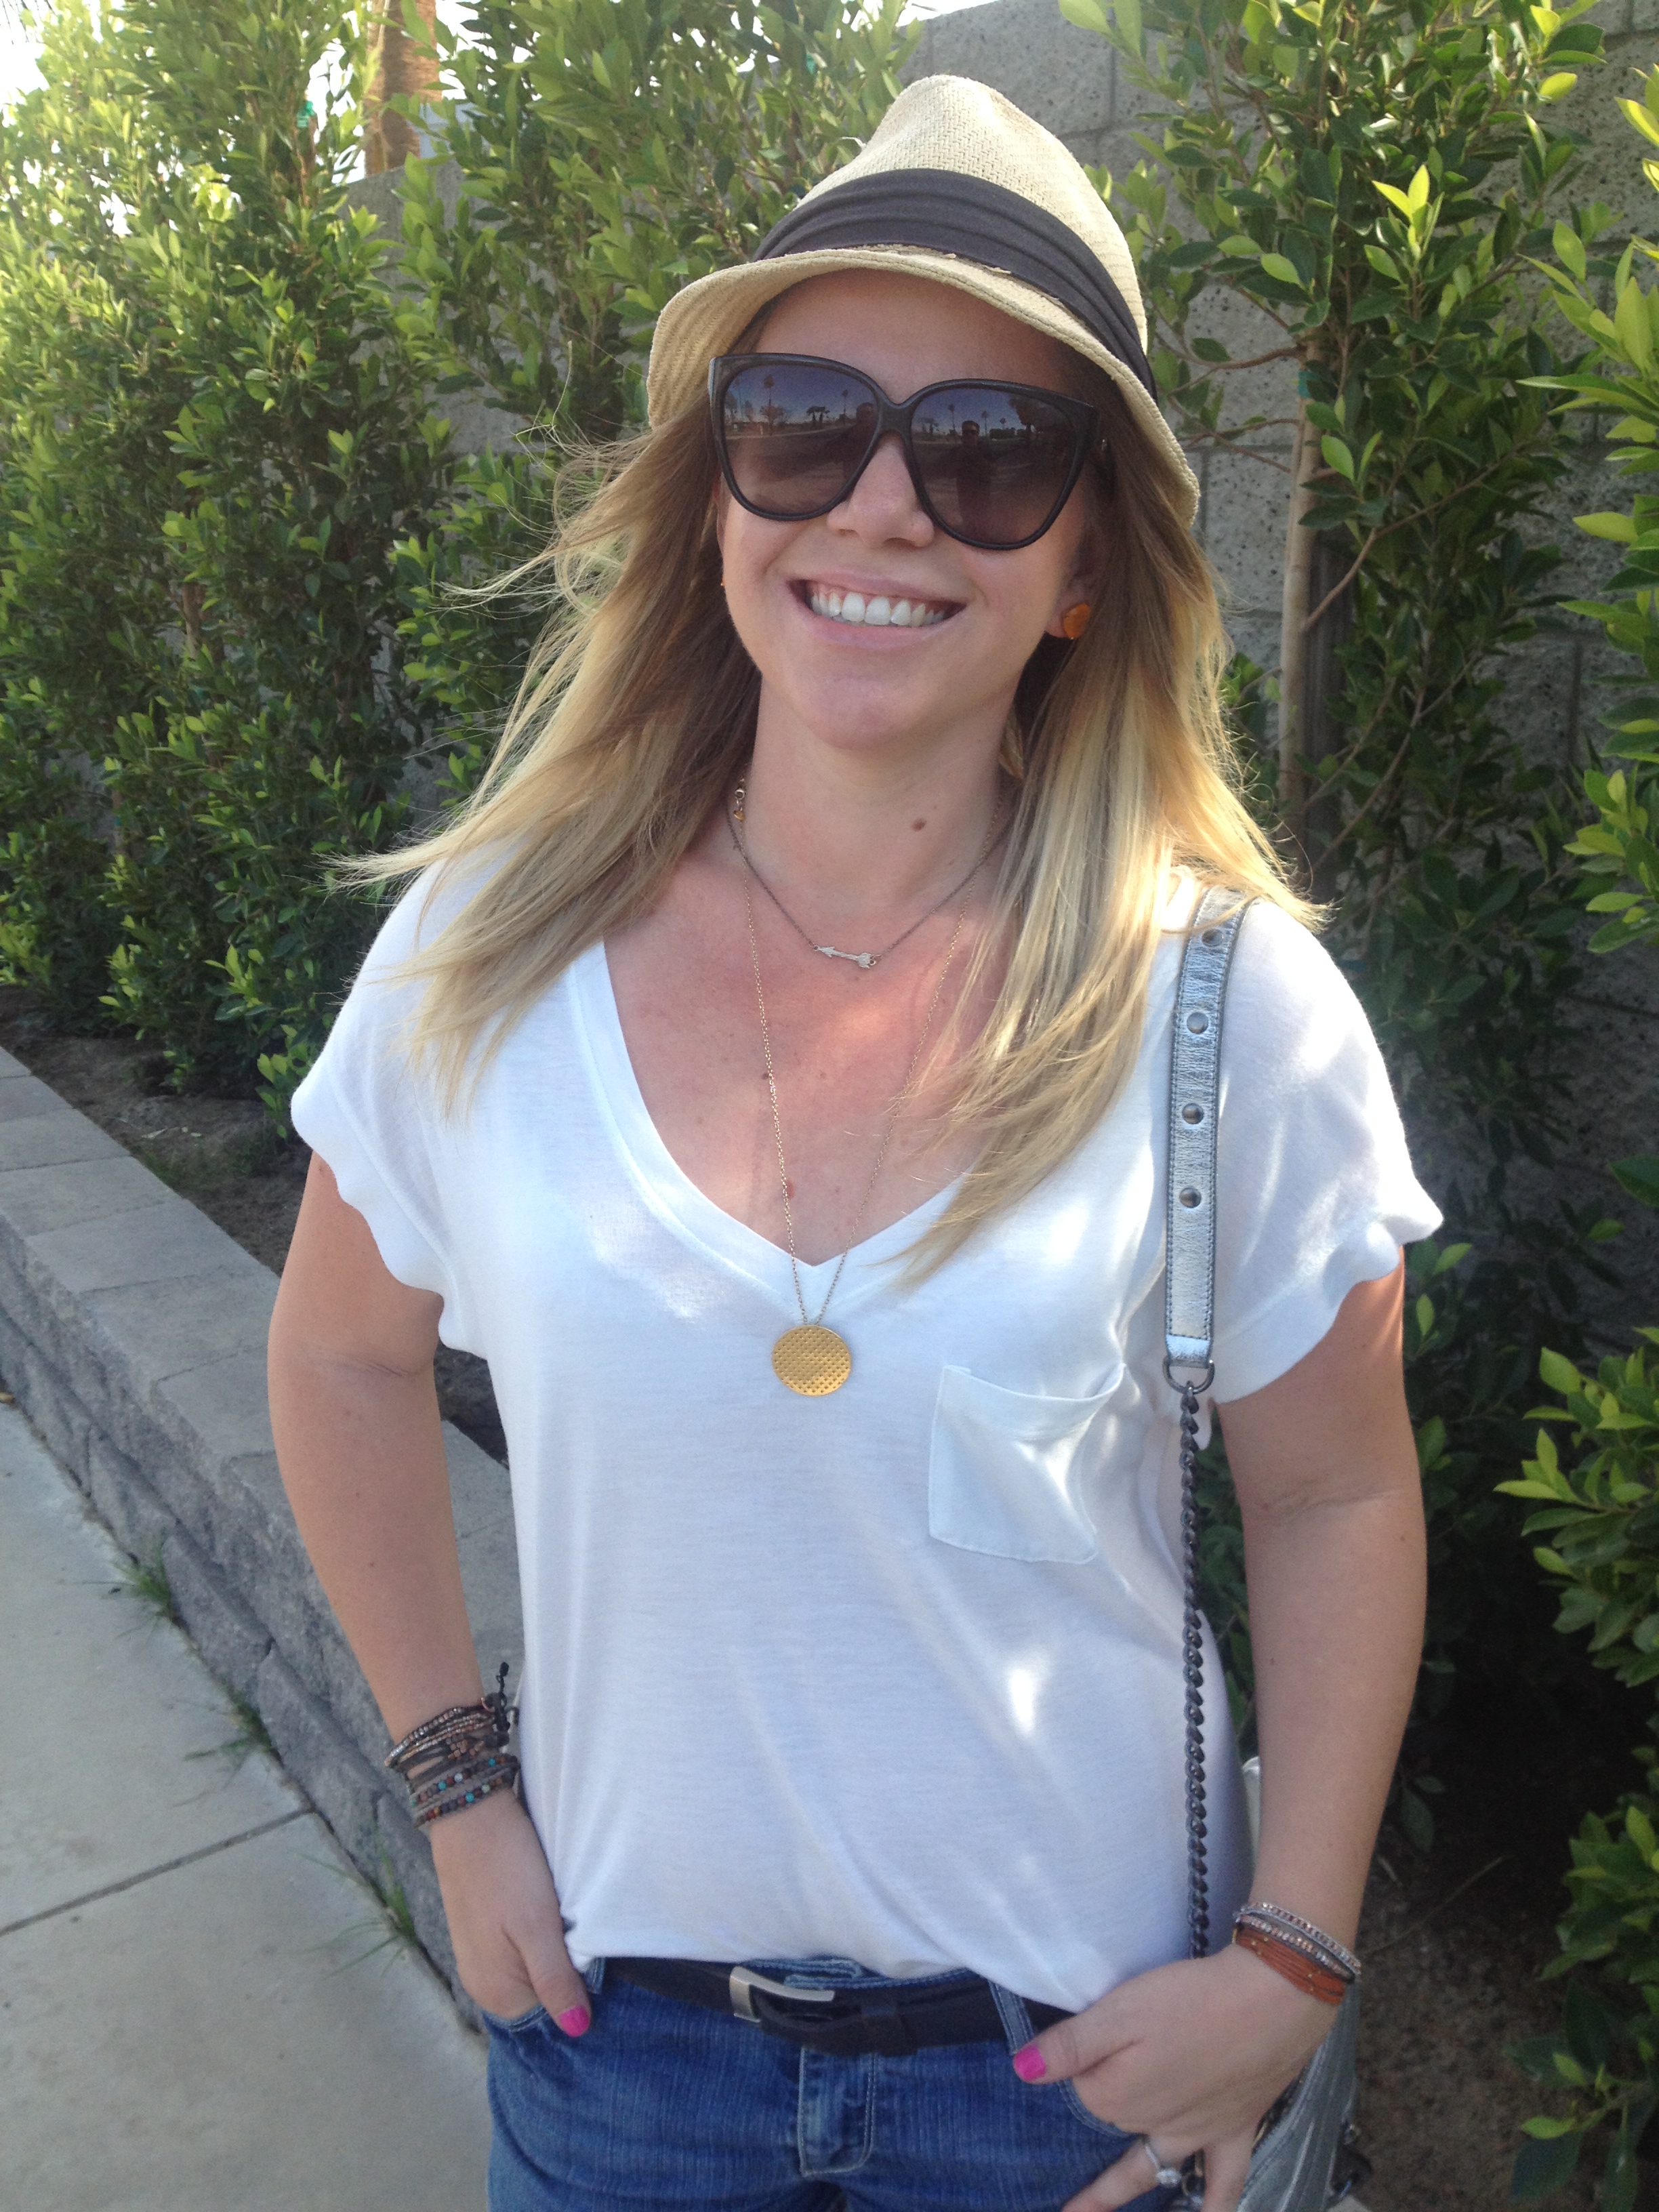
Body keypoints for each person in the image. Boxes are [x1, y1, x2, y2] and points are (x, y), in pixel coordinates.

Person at [268, 75, 1435, 2212]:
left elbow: (1338, 1488)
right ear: (720, 498)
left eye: (990, 453)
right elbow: (340, 1354)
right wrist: (455, 1792)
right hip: (619, 2060)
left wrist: (1294, 1955)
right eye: (804, 424)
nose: (884, 507)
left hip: (1064, 2083)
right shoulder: (488, 953)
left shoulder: (1229, 1011)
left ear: (1086, 567)